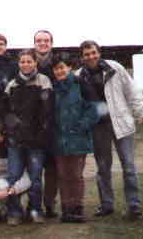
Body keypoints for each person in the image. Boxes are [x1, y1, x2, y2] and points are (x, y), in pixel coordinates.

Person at [77, 40, 143, 219]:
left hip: (122, 123)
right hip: (98, 127)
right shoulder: (79, 76)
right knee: (103, 168)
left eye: (93, 52)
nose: (91, 57)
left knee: (129, 166)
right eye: (87, 54)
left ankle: (134, 206)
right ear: (82, 57)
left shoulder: (115, 68)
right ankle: (106, 205)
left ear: (99, 52)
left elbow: (132, 91)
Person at [3, 49, 52, 225]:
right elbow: (7, 113)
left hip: (36, 141)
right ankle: (14, 211)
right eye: (22, 62)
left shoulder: (44, 81)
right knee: (14, 176)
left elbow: (47, 112)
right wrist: (13, 133)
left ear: (35, 63)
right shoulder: (11, 85)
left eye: (29, 61)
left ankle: (35, 210)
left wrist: (40, 135)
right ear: (19, 64)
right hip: (15, 141)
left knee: (35, 178)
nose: (26, 64)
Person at [50, 55, 99, 223]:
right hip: (59, 139)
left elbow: (93, 109)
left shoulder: (81, 84)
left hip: (78, 138)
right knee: (63, 175)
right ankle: (66, 209)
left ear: (69, 67)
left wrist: (82, 125)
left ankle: (77, 209)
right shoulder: (53, 89)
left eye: (62, 67)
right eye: (56, 68)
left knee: (76, 175)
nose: (59, 71)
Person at [33, 29, 59, 218]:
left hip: (53, 123)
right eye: (39, 40)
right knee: (33, 168)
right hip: (32, 123)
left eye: (46, 40)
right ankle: (34, 205)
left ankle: (49, 203)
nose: (43, 43)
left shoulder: (57, 64)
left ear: (51, 43)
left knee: (51, 168)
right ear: (34, 43)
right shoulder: (27, 62)